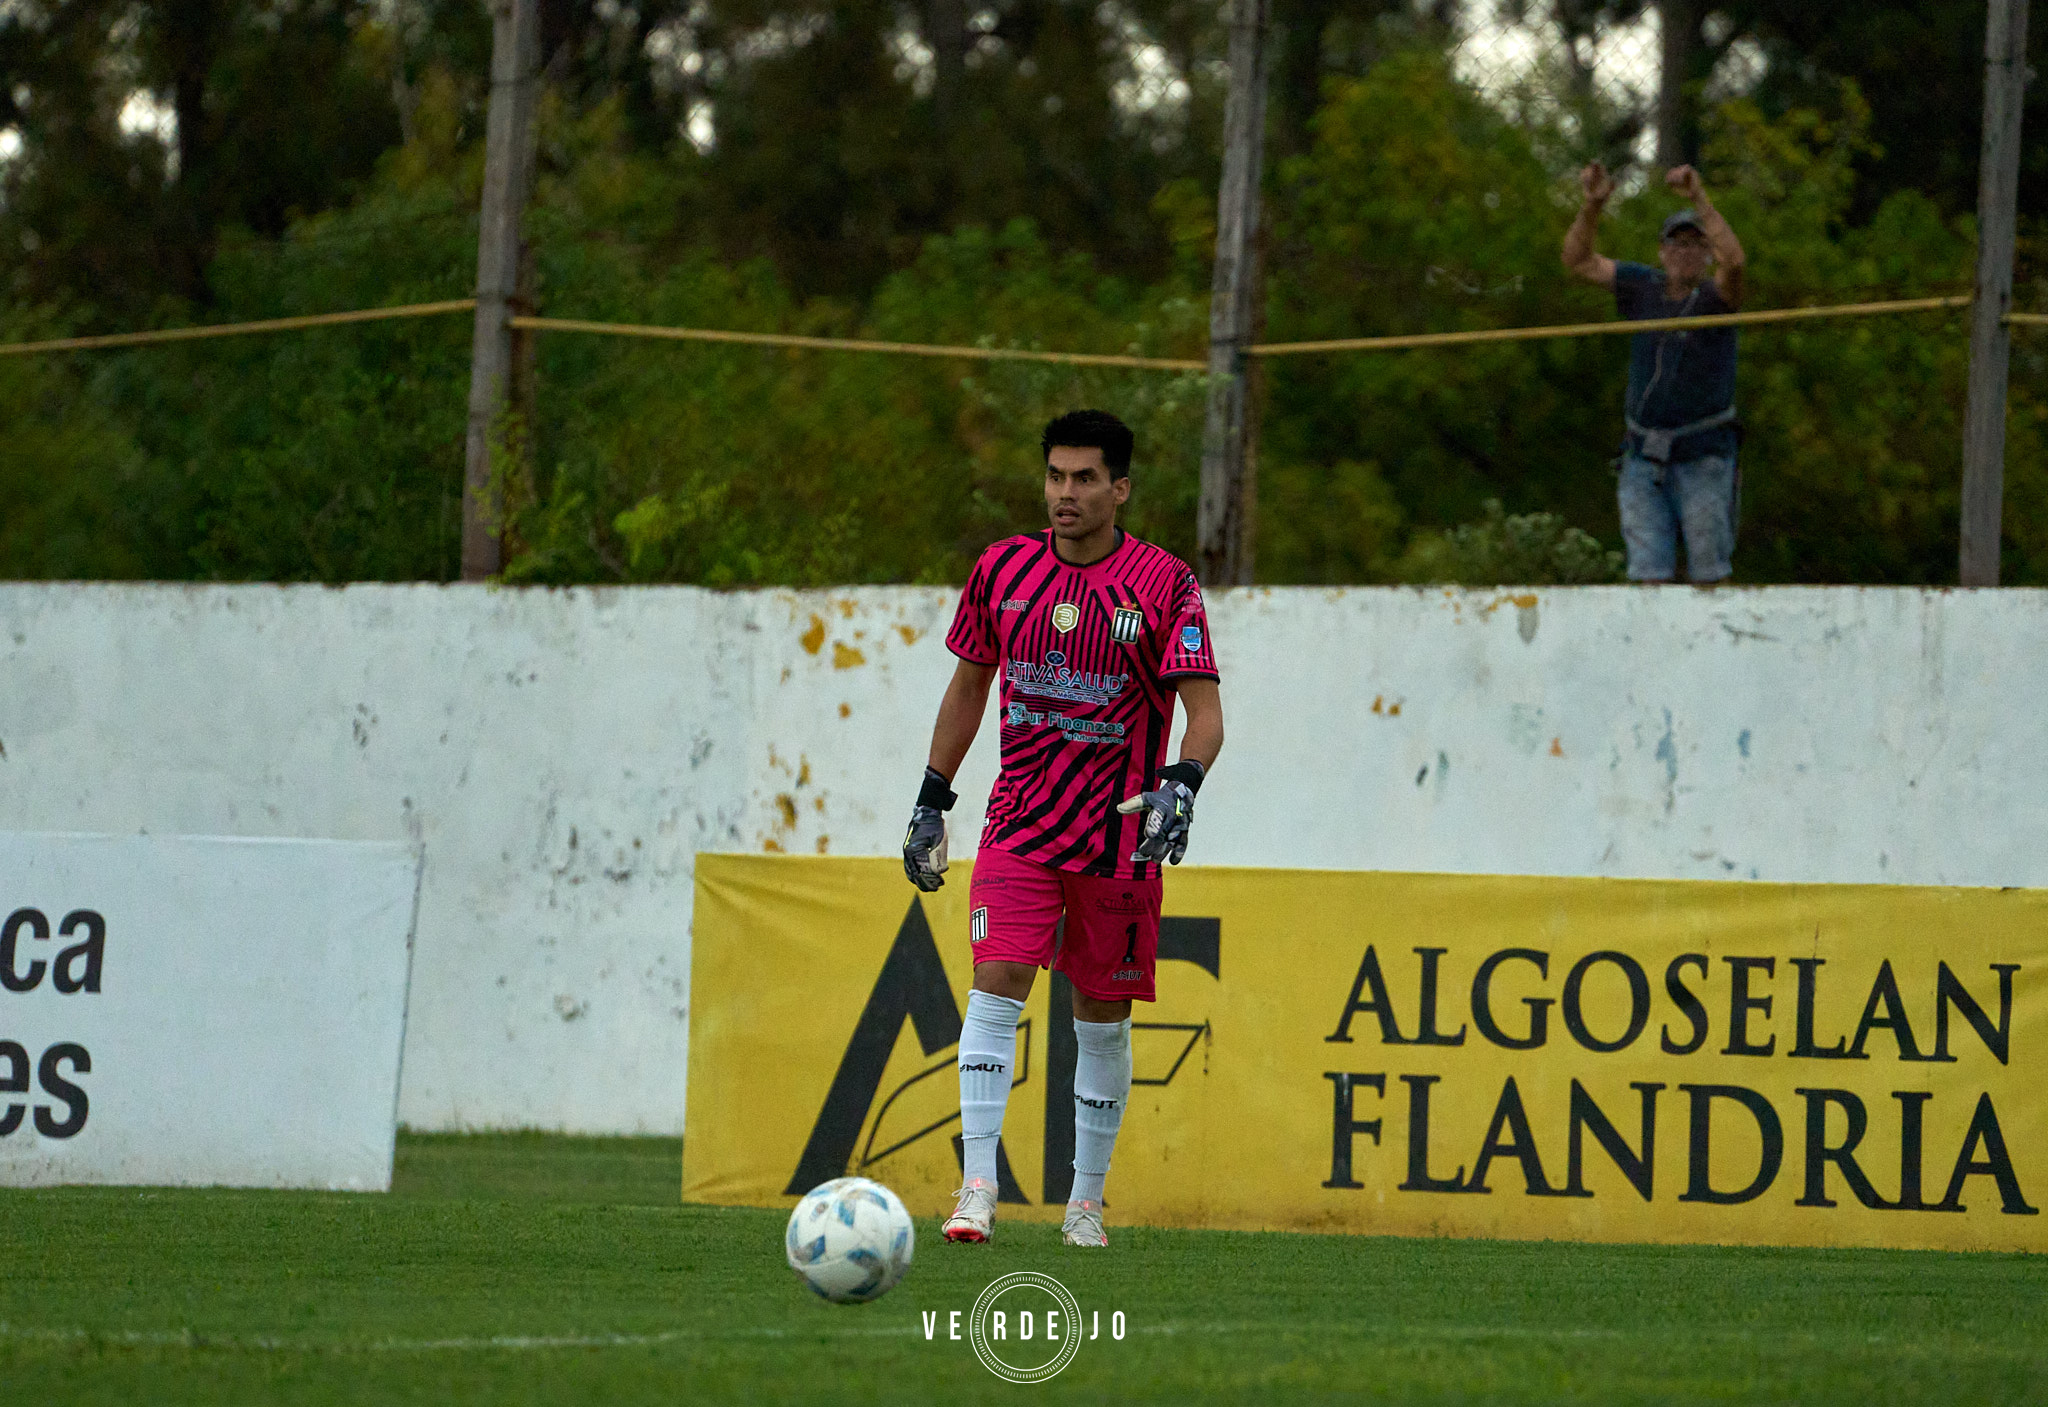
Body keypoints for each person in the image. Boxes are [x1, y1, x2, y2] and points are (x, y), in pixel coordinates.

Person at [900, 408, 1225, 1250]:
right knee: (997, 977)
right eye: (1055, 476)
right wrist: (933, 797)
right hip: (1020, 823)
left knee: (1100, 1015)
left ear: (1121, 488)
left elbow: (1205, 716)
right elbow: (968, 687)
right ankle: (977, 1186)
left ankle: (1085, 1203)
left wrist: (1181, 784)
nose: (1065, 493)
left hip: (1119, 837)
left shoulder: (1164, 584)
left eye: (1084, 478)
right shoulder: (1001, 570)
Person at [1563, 161, 1748, 584]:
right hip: (1643, 455)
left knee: (1709, 575)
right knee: (1647, 576)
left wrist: (1699, 199)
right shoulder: (1642, 286)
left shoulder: (1717, 297)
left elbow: (1735, 263)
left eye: (1696, 245)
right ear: (1663, 252)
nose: (1686, 253)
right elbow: (1577, 261)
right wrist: (1592, 205)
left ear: (1707, 254)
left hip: (1704, 454)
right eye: (1677, 244)